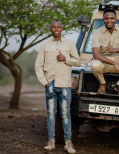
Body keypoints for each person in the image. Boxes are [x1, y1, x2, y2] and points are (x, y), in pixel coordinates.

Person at [35, 20, 80, 153]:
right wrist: (45, 82)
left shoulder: (69, 44)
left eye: (58, 27)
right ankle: (51, 141)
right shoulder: (44, 46)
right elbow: (38, 65)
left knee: (66, 113)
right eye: (53, 27)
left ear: (61, 29)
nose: (56, 29)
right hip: (50, 84)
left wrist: (65, 58)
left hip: (65, 84)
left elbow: (77, 61)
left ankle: (68, 143)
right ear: (50, 30)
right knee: (51, 114)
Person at [91, 8, 119, 97]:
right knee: (94, 64)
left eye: (112, 18)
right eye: (106, 18)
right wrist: (114, 63)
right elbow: (96, 55)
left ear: (116, 19)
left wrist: (114, 50)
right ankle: (102, 83)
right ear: (103, 19)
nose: (109, 21)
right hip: (105, 62)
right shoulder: (97, 32)